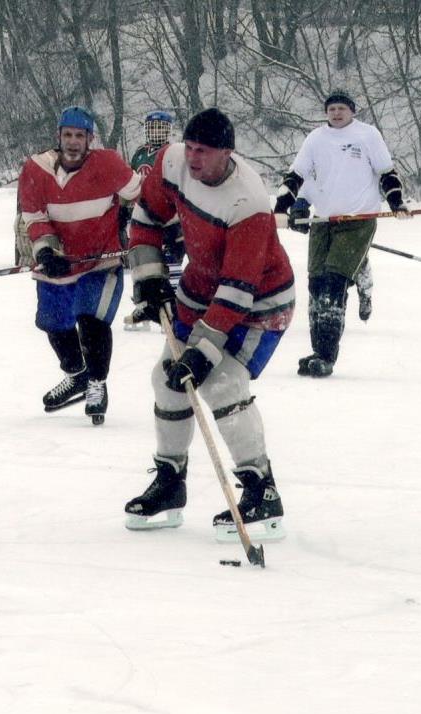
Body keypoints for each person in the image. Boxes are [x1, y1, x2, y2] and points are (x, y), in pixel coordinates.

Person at [123, 108, 295, 543]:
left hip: (260, 303)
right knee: (167, 381)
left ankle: (261, 489)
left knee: (220, 383)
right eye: (192, 147)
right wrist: (150, 279)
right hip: (199, 291)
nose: (194, 158)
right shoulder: (172, 162)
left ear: (227, 153)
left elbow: (238, 290)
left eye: (205, 151)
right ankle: (170, 481)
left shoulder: (248, 204)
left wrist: (203, 352)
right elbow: (145, 220)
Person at [18, 105, 142, 425]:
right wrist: (46, 252)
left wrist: (133, 225)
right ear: (58, 136)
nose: (73, 142)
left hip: (101, 261)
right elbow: (35, 217)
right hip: (60, 262)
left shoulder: (108, 164)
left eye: (80, 136)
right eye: (68, 135)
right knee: (52, 322)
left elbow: (140, 193)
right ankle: (77, 375)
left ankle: (97, 383)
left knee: (91, 318)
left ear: (90, 139)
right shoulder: (36, 169)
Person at [273, 90, 410, 377]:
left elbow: (387, 173)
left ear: (352, 111)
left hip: (358, 220)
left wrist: (396, 201)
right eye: (332, 109)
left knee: (334, 282)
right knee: (316, 283)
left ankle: (326, 355)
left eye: (342, 109)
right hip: (324, 222)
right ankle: (316, 349)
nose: (336, 113)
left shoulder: (367, 136)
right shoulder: (316, 139)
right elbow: (296, 176)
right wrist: (282, 207)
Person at [124, 110, 182, 332]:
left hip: (167, 216)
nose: (157, 132)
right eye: (153, 127)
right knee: (141, 260)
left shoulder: (172, 152)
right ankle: (145, 307)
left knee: (170, 261)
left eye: (161, 128)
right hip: (142, 214)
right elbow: (129, 182)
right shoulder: (139, 154)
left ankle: (175, 306)